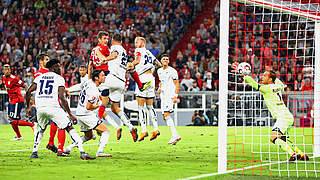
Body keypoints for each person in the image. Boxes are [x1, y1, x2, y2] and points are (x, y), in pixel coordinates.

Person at [232, 63, 309, 161]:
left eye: (265, 75)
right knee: (283, 139)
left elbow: (253, 83)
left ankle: (292, 154)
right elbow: (278, 82)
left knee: (273, 138)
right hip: (288, 116)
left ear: (270, 79)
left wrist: (243, 75)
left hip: (282, 117)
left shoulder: (266, 89)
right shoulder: (279, 85)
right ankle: (301, 154)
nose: (262, 77)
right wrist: (272, 74)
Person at [26, 59, 95, 160]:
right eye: (58, 66)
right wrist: (70, 113)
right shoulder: (59, 78)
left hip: (40, 108)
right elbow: (62, 97)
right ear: (53, 68)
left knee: (41, 129)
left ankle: (34, 152)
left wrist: (28, 107)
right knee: (69, 127)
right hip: (53, 107)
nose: (60, 68)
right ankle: (82, 152)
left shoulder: (39, 77)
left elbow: (28, 91)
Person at [64, 69, 112, 157]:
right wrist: (98, 105)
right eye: (102, 75)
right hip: (86, 114)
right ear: (96, 78)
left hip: (80, 113)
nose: (104, 77)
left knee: (88, 136)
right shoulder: (94, 91)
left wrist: (68, 90)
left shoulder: (88, 82)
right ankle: (100, 152)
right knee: (105, 131)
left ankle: (68, 149)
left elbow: (79, 86)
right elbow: (89, 107)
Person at [34, 53, 66, 156]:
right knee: (60, 123)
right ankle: (56, 146)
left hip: (50, 101)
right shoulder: (41, 74)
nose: (48, 61)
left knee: (54, 123)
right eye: (46, 59)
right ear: (41, 62)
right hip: (48, 102)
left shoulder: (44, 73)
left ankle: (51, 142)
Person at [132, 37, 161, 142]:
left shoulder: (138, 50)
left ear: (143, 43)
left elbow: (137, 60)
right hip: (151, 79)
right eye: (135, 42)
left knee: (140, 107)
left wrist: (130, 65)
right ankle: (156, 128)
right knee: (150, 106)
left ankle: (144, 130)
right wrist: (151, 71)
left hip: (142, 78)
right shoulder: (149, 52)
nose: (135, 44)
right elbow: (158, 64)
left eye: (137, 42)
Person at [2, 64, 36, 141]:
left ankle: (32, 125)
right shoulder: (3, 78)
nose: (7, 71)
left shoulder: (14, 78)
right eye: (5, 70)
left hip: (17, 100)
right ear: (3, 71)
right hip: (11, 101)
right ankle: (19, 136)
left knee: (14, 120)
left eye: (8, 70)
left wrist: (28, 97)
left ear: (10, 70)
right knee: (11, 119)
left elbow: (25, 85)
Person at [157, 54, 181, 144]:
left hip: (169, 96)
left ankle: (175, 135)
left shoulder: (172, 71)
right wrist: (159, 88)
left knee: (166, 114)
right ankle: (175, 135)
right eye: (164, 59)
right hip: (163, 96)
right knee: (164, 116)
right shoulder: (159, 71)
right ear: (161, 61)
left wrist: (175, 96)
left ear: (169, 61)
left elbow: (177, 84)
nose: (166, 60)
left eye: (167, 59)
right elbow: (161, 82)